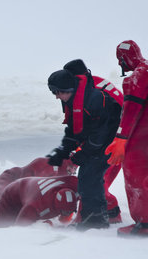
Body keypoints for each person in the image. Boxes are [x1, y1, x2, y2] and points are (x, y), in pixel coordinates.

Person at [104, 40, 148, 237]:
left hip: (139, 136)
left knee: (135, 179)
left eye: (119, 60)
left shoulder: (138, 77)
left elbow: (131, 111)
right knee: (147, 178)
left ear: (125, 58)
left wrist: (121, 138)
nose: (119, 65)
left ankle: (144, 224)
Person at [46, 66, 122, 230]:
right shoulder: (77, 99)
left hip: (111, 144)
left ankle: (95, 220)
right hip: (98, 144)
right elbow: (75, 130)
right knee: (88, 178)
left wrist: (82, 155)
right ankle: (101, 217)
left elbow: (99, 135)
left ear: (67, 89)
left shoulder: (92, 99)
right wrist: (63, 151)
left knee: (91, 179)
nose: (57, 97)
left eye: (57, 92)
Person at [63, 59, 125, 223]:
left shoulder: (90, 92)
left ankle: (90, 219)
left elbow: (100, 128)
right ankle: (111, 214)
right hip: (110, 139)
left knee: (93, 180)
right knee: (95, 180)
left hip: (116, 142)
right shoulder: (89, 85)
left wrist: (86, 152)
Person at [0, 157, 77, 212]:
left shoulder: (60, 170)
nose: (74, 172)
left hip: (16, 183)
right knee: (2, 199)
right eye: (73, 169)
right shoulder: (53, 168)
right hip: (9, 179)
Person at [0, 176, 80, 230]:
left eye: (70, 211)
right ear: (56, 205)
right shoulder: (36, 206)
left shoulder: (76, 184)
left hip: (29, 189)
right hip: (13, 195)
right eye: (64, 211)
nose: (67, 213)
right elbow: (18, 231)